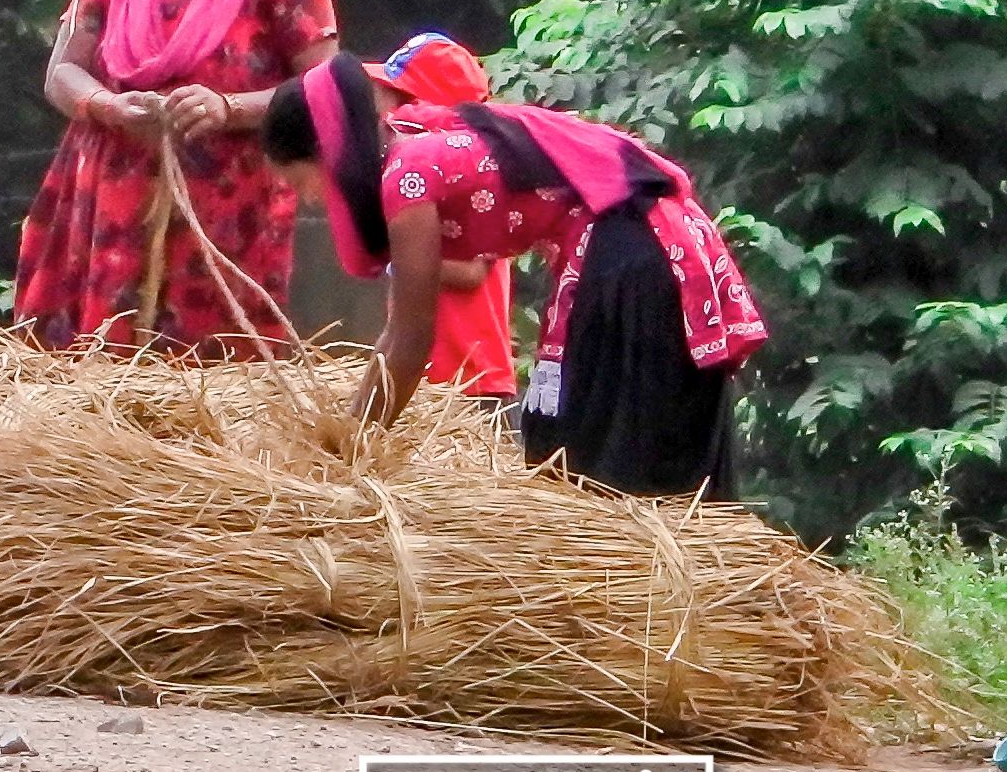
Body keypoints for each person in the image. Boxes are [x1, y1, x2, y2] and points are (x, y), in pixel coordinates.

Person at [260, 52, 769, 496]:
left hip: (634, 249)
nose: (307, 199)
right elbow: (396, 335)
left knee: (600, 465)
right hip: (637, 242)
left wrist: (348, 451)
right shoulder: (411, 140)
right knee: (580, 443)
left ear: (326, 149)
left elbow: (410, 340)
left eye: (299, 180)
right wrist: (346, 435)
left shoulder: (406, 179)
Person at [14, 0, 337, 356]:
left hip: (230, 219)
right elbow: (62, 73)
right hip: (111, 209)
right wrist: (107, 105)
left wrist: (228, 108)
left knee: (216, 378)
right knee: (99, 371)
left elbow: (328, 89)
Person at [368, 33, 517, 402]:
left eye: (402, 100)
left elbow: (470, 273)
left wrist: (392, 254)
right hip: (427, 377)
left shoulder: (486, 175)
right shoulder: (417, 183)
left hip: (473, 380)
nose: (390, 114)